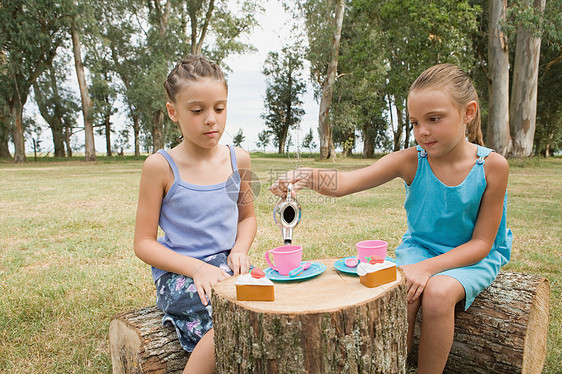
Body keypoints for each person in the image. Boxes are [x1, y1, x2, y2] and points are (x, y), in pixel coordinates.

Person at [270, 63, 511, 373]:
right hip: (420, 247)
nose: (423, 131)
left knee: (437, 294)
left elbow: (481, 243)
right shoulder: (412, 160)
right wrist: (305, 175)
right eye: (415, 122)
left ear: (468, 112)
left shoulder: (493, 166)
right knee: (401, 291)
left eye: (434, 119)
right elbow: (346, 183)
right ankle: (392, 366)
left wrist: (426, 269)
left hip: (471, 257)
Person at [134, 55, 257, 374]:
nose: (211, 120)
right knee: (224, 312)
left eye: (219, 108)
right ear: (173, 112)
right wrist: (197, 269)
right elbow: (143, 243)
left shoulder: (240, 160)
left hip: (227, 265)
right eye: (197, 110)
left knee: (265, 301)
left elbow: (248, 218)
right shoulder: (159, 167)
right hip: (180, 274)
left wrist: (240, 250)